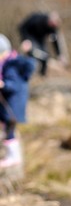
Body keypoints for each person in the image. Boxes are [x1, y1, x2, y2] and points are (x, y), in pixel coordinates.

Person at [0, 34, 35, 169]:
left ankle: (13, 157)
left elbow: (15, 85)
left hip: (13, 105)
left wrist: (3, 85)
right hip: (10, 105)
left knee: (10, 130)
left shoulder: (11, 66)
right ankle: (12, 156)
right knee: (8, 129)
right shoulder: (8, 63)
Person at [18, 11, 66, 76]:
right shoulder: (37, 18)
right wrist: (25, 40)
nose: (53, 26)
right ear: (50, 20)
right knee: (34, 53)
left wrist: (59, 54)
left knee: (45, 55)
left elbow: (54, 41)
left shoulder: (53, 28)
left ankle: (42, 75)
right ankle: (27, 73)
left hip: (40, 40)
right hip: (30, 37)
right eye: (52, 24)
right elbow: (22, 27)